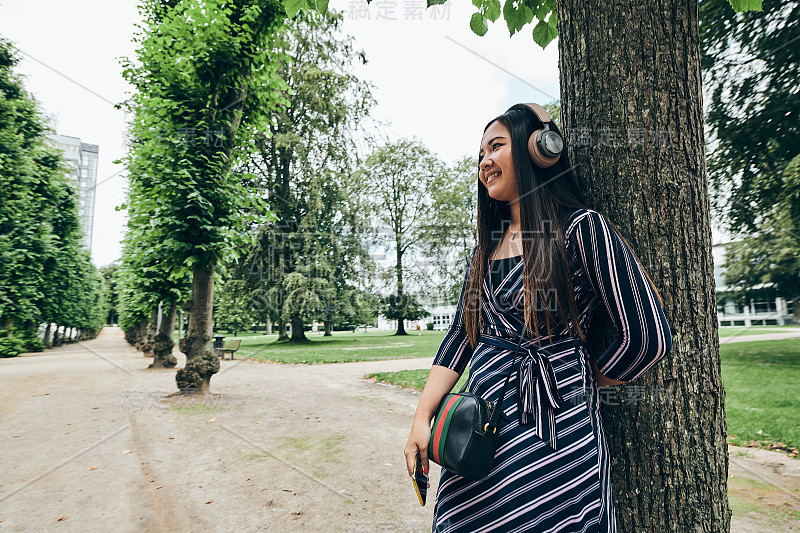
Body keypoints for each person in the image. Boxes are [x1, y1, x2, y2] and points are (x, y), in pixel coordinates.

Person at [403, 103, 673, 532]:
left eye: (496, 147)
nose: (484, 162)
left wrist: (591, 380)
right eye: (480, 155)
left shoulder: (582, 229)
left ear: (538, 150)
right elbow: (460, 336)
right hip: (484, 433)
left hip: (558, 433)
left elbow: (649, 335)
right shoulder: (485, 249)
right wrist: (422, 418)